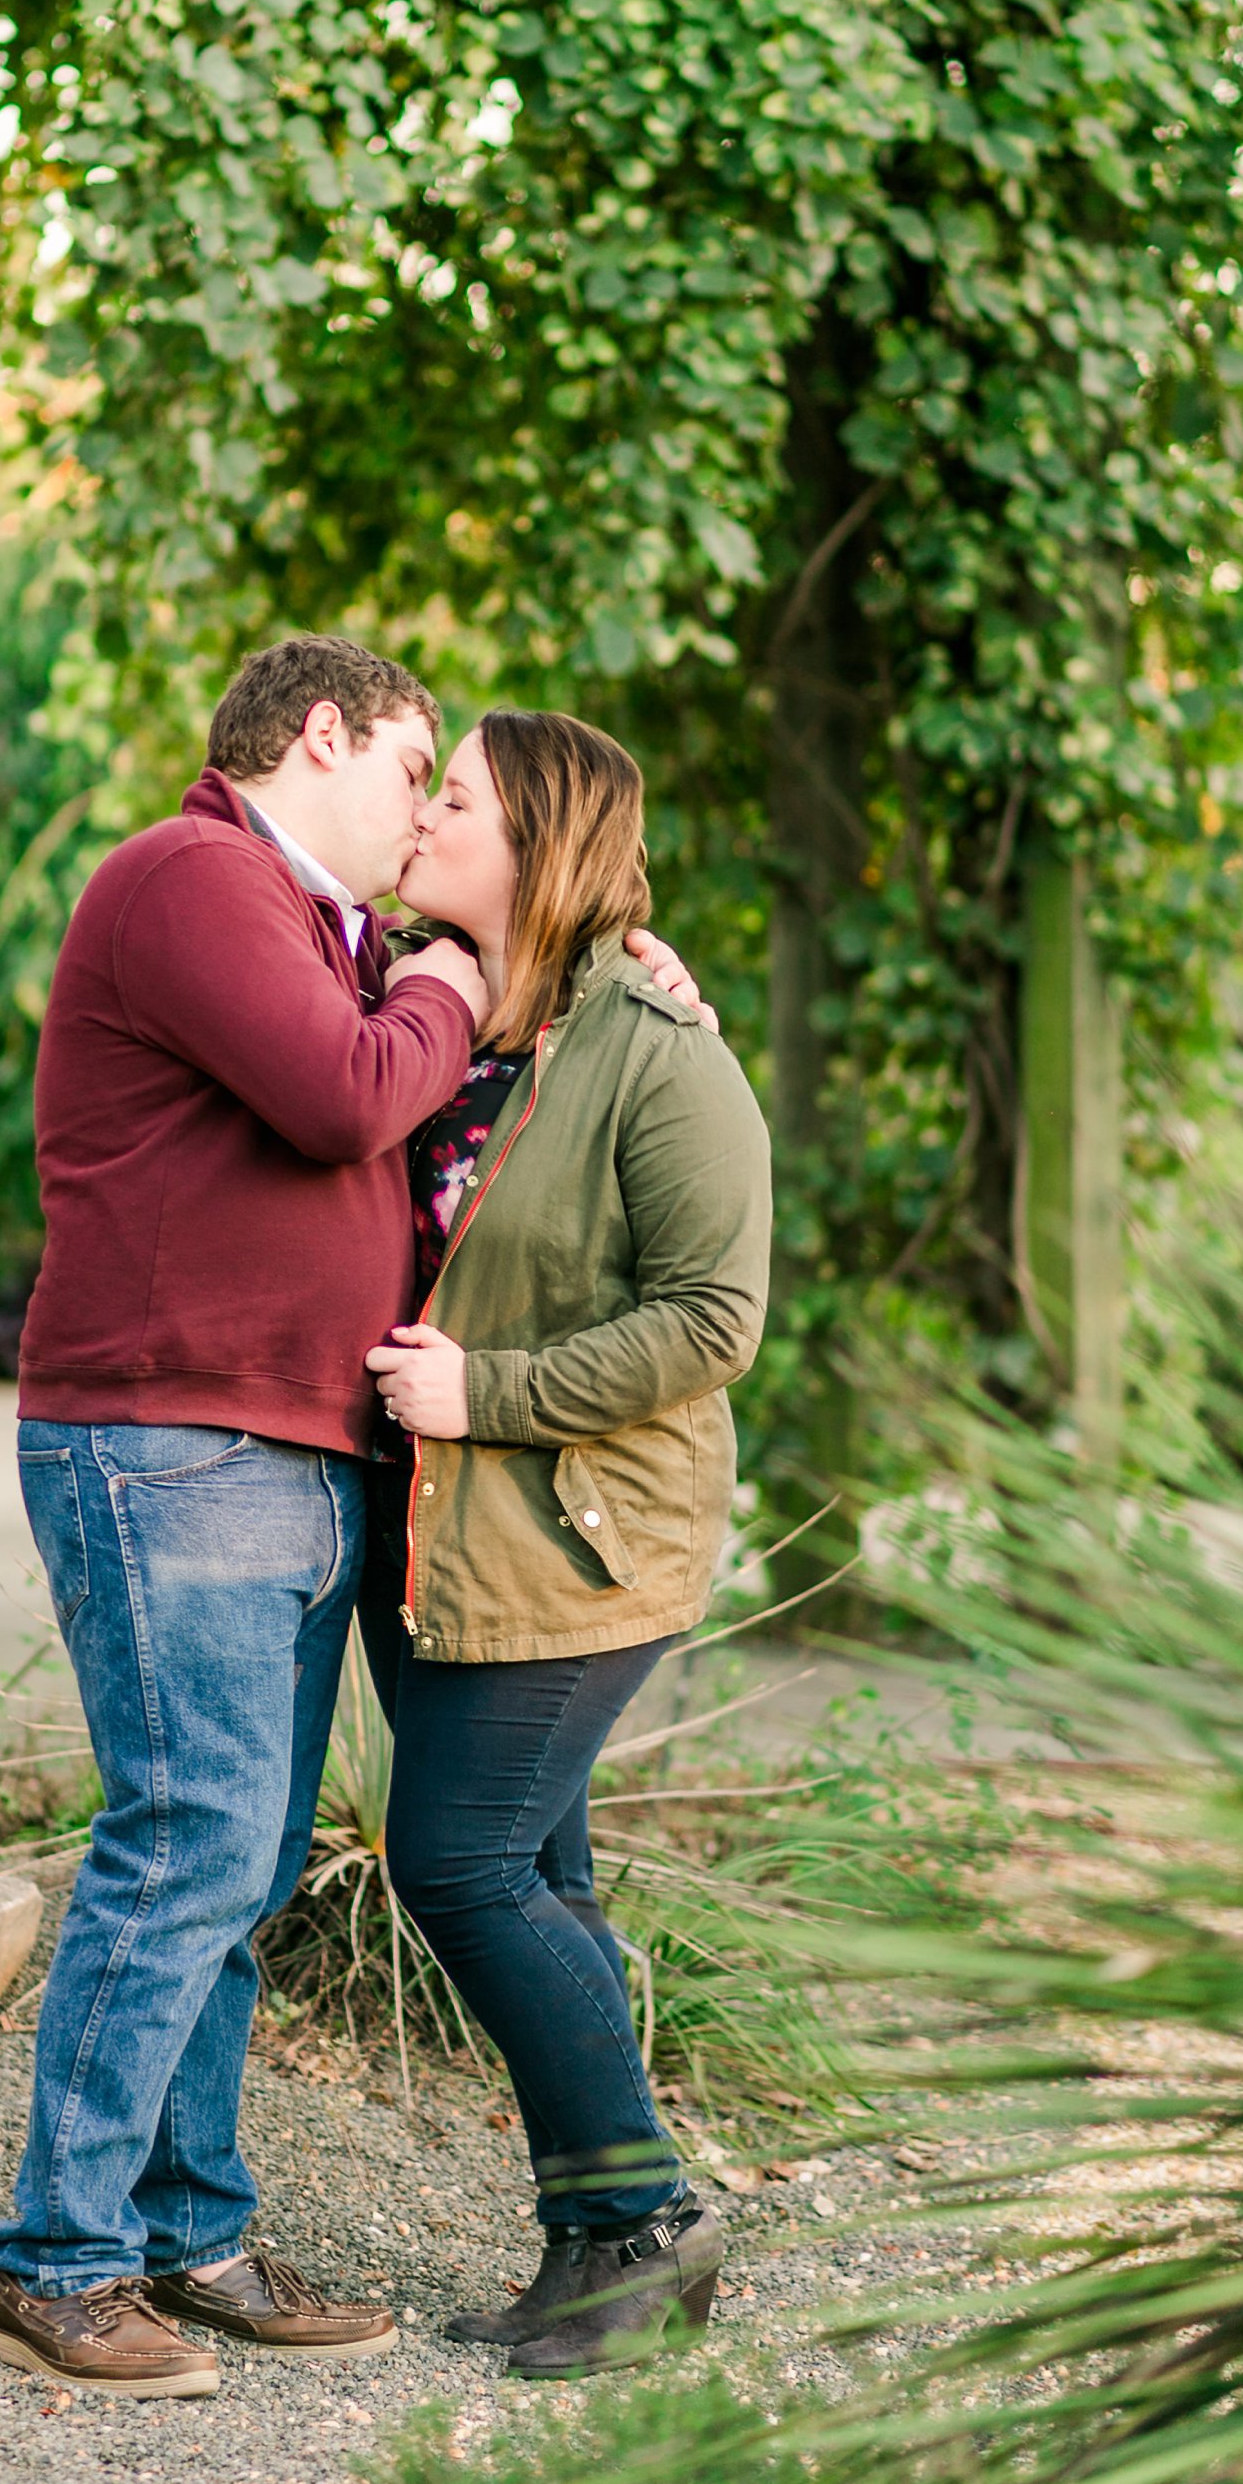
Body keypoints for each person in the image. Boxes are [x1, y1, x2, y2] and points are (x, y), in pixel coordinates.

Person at [0, 638, 704, 2398]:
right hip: (171, 1440)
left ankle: (187, 2230)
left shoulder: (326, 932)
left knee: (241, 1858)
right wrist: (452, 965)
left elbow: (498, 1020)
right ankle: (53, 2261)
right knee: (189, 1846)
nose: (425, 803)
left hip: (284, 1458)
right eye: (413, 765)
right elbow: (353, 1091)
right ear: (320, 737)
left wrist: (615, 967)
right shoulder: (192, 876)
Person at [362, 711, 771, 2380]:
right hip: (444, 1533)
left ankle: (657, 2217)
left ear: (536, 844)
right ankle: (593, 2245)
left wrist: (489, 1392)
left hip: (588, 1538)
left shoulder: (661, 1050)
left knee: (453, 1859)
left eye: (450, 798)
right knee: (540, 1877)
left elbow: (716, 1316)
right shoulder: (427, 1006)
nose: (418, 813)